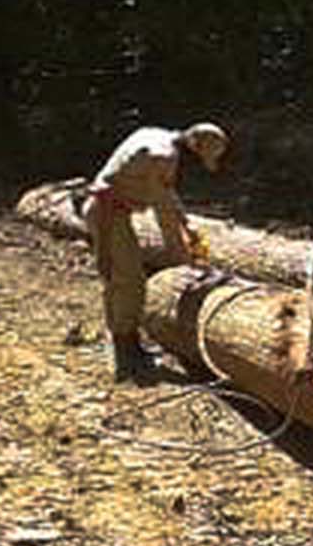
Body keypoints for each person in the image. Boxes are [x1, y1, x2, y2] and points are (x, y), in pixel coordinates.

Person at [80, 122, 227, 382]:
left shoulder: (156, 135)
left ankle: (127, 342)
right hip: (106, 213)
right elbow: (164, 216)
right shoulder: (161, 157)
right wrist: (185, 264)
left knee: (121, 279)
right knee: (129, 280)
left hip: (109, 210)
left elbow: (167, 196)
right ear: (194, 147)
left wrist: (188, 225)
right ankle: (126, 354)